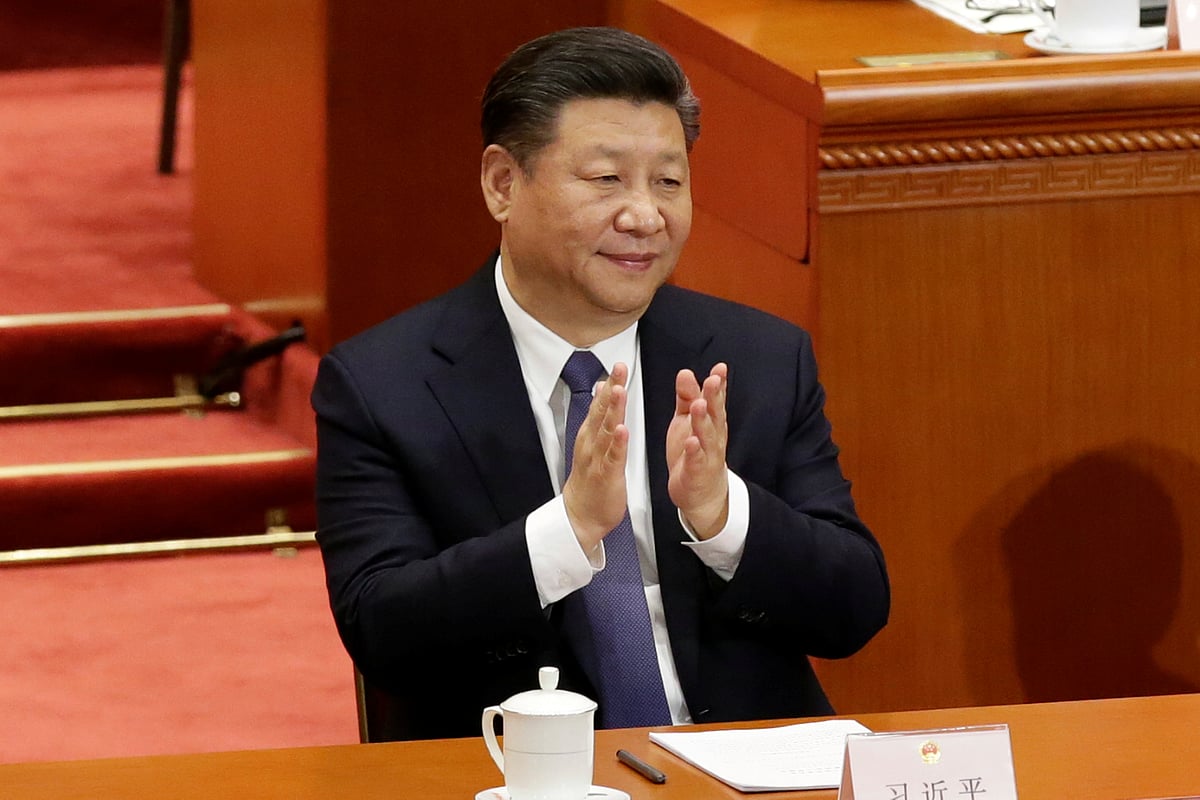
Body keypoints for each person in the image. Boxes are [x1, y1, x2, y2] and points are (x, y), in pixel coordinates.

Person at [312, 26, 889, 741]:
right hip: (521, 772)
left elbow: (855, 609)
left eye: (669, 182)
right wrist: (570, 528)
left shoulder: (758, 357)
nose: (645, 216)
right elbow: (382, 630)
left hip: (744, 772)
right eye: (606, 179)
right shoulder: (382, 383)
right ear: (502, 184)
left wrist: (722, 514)